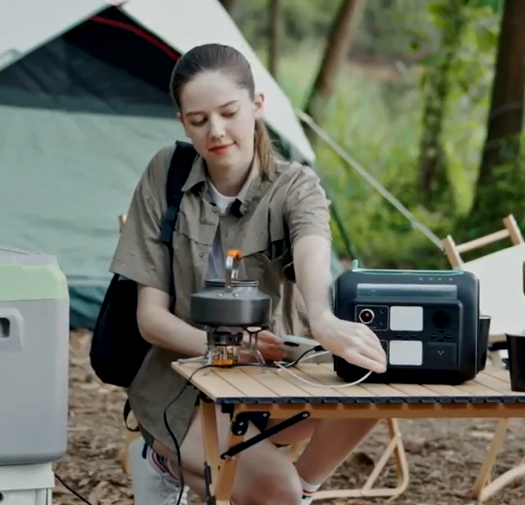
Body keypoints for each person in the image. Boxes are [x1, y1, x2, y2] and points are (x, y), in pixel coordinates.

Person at [109, 43, 389, 505]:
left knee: (378, 371)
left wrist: (322, 316)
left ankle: (300, 487)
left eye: (228, 112)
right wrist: (229, 349)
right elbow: (151, 320)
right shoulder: (166, 174)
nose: (216, 131)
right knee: (273, 491)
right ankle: (165, 458)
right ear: (183, 122)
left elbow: (313, 248)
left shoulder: (296, 185)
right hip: (186, 388)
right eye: (198, 120)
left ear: (257, 106)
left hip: (279, 380)